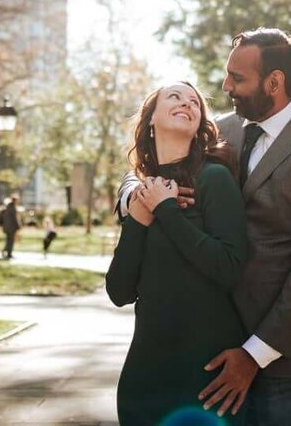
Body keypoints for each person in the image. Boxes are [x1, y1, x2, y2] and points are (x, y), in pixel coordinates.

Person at [118, 28, 291, 424]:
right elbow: (143, 166)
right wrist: (135, 198)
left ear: (274, 82)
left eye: (237, 78)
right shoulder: (220, 131)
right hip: (213, 352)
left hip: (286, 365)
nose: (225, 86)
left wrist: (253, 355)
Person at [107, 81, 249, 426]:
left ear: (200, 125)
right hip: (146, 374)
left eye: (194, 103)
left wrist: (167, 211)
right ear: (151, 119)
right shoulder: (141, 192)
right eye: (174, 96)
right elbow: (120, 292)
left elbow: (229, 266)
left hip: (205, 377)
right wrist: (139, 220)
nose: (187, 102)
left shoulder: (214, 179)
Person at [0, 195, 20, 259]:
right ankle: (8, 253)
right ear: (14, 201)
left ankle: (6, 252)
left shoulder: (7, 208)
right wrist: (18, 226)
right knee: (10, 241)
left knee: (8, 240)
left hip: (6, 227)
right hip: (11, 227)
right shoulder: (12, 208)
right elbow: (15, 218)